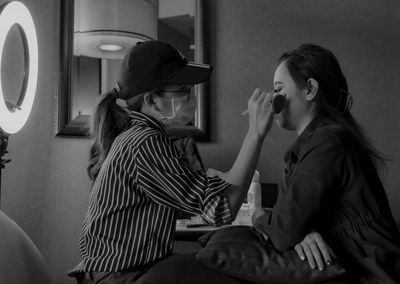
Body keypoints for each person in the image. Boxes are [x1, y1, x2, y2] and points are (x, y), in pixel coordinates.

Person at [67, 40, 278, 283]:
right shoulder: (144, 143)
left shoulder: (140, 137)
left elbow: (213, 197)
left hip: (117, 272)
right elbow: (221, 210)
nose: (192, 96)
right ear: (152, 100)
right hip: (119, 277)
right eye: (183, 90)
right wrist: (255, 133)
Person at [252, 43, 400, 283]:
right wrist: (303, 231)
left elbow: (282, 231)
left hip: (374, 272)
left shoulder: (328, 140)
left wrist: (259, 217)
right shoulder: (309, 145)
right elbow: (291, 221)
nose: (272, 98)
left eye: (278, 89)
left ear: (310, 89)